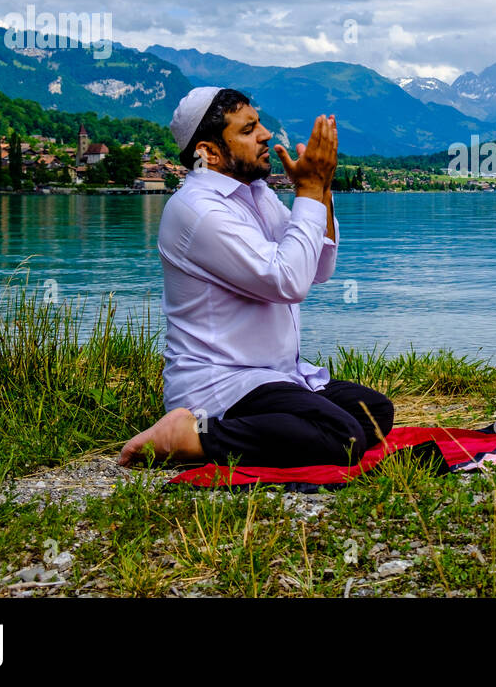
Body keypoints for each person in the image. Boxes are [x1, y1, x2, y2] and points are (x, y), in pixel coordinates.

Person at [117, 86, 394, 470]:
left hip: (272, 375)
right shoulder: (197, 211)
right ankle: (189, 435)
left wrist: (321, 188)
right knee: (341, 437)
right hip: (220, 382)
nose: (265, 134)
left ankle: (259, 427)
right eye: (248, 130)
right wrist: (309, 191)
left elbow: (318, 270)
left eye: (259, 123)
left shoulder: (257, 194)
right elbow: (288, 282)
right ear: (208, 152)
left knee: (373, 411)